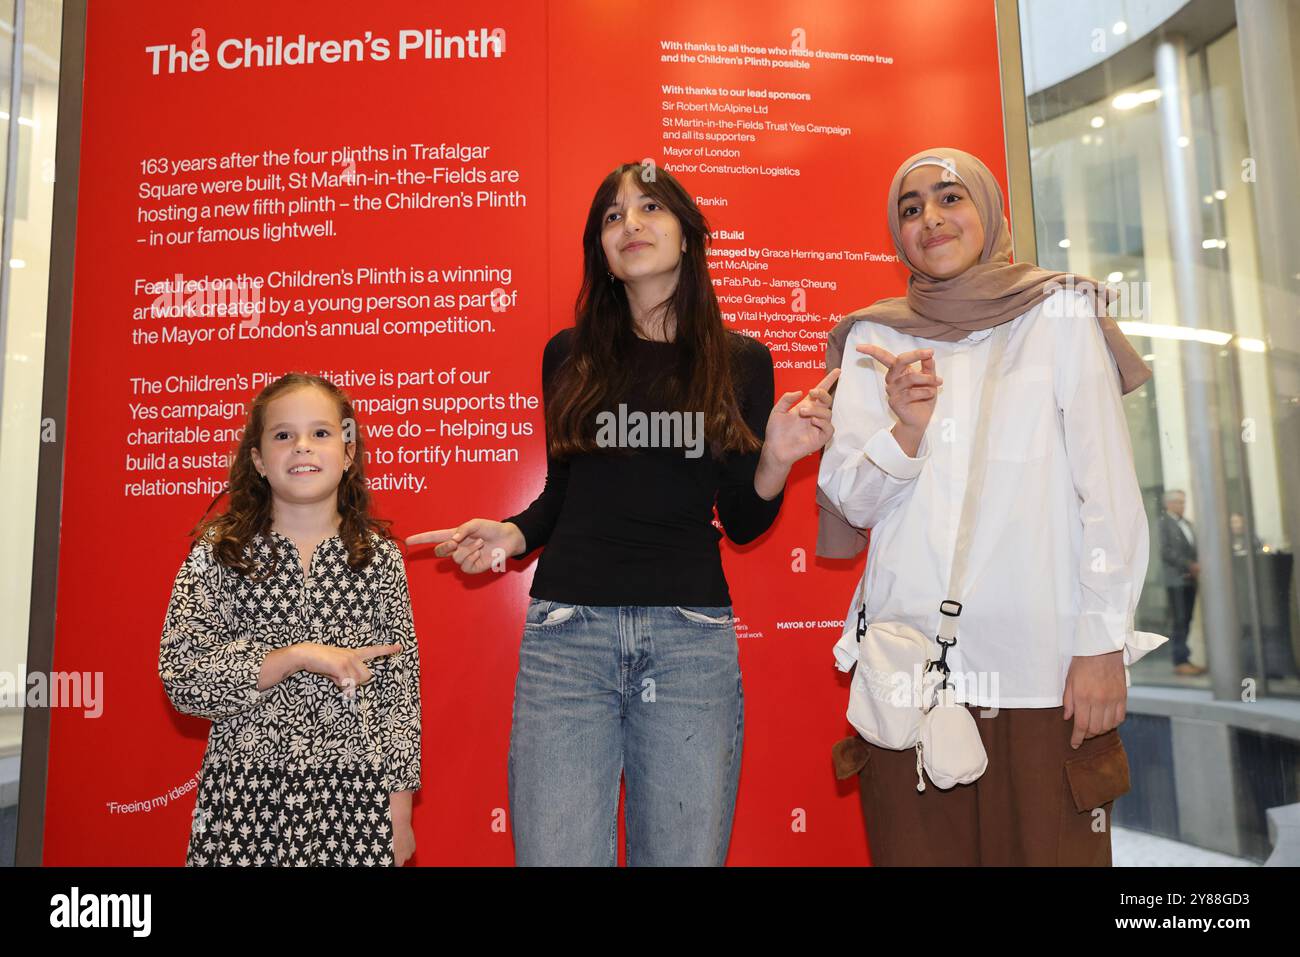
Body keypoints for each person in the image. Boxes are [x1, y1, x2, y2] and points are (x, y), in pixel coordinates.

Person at [408, 162, 835, 866]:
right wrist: (512, 534)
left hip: (690, 637)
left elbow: (744, 519)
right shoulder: (569, 355)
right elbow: (565, 494)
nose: (630, 224)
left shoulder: (742, 362)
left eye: (649, 208)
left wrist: (778, 459)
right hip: (568, 639)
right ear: (601, 253)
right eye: (612, 216)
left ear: (688, 235)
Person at [818, 147, 1166, 866]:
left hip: (1044, 671)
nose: (930, 218)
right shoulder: (874, 337)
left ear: (990, 210)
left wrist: (1103, 642)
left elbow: (1107, 490)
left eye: (950, 198)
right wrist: (904, 430)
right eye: (910, 209)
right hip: (909, 671)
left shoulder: (1060, 313)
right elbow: (850, 499)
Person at [159, 373, 422, 866]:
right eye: (283, 435)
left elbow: (399, 698)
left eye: (321, 433)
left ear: (347, 454)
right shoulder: (219, 554)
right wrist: (295, 657)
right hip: (242, 802)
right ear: (258, 459)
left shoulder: (380, 559)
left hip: (354, 801)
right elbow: (183, 678)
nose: (302, 446)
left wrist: (398, 812)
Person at [1159, 490, 1207, 675]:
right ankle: (1179, 661)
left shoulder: (1188, 523)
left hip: (1189, 581)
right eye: (1178, 502)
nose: (1182, 505)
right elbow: (1166, 551)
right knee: (1179, 620)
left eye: (1184, 501)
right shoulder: (1164, 523)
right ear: (1168, 504)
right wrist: (1189, 565)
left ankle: (1185, 658)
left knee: (1187, 619)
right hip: (1175, 580)